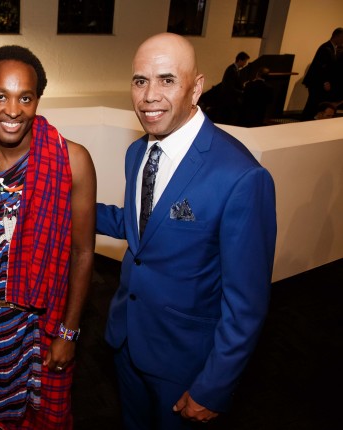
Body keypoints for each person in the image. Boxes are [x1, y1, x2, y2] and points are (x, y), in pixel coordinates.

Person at [96, 33, 277, 429]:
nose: (149, 96)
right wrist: (69, 208)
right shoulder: (137, 152)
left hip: (185, 364)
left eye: (167, 80)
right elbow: (141, 227)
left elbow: (246, 302)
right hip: (126, 342)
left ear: (196, 88)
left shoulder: (241, 176)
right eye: (140, 81)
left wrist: (214, 386)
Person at [0, 45, 96, 429]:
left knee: (46, 419)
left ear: (37, 100)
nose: (13, 110)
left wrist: (68, 333)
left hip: (43, 323)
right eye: (0, 96)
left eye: (25, 98)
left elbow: (83, 253)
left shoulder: (71, 160)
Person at [301, 28, 343, 120]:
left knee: (314, 105)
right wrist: (325, 81)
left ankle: (308, 121)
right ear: (337, 36)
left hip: (319, 83)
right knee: (312, 105)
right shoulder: (326, 48)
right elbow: (321, 67)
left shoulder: (332, 48)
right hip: (317, 83)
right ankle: (305, 122)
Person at [219, 51, 250, 124]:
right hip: (229, 99)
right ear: (240, 60)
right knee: (229, 119)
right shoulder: (231, 70)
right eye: (245, 61)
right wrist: (242, 92)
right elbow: (229, 87)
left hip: (231, 98)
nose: (245, 63)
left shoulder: (235, 69)